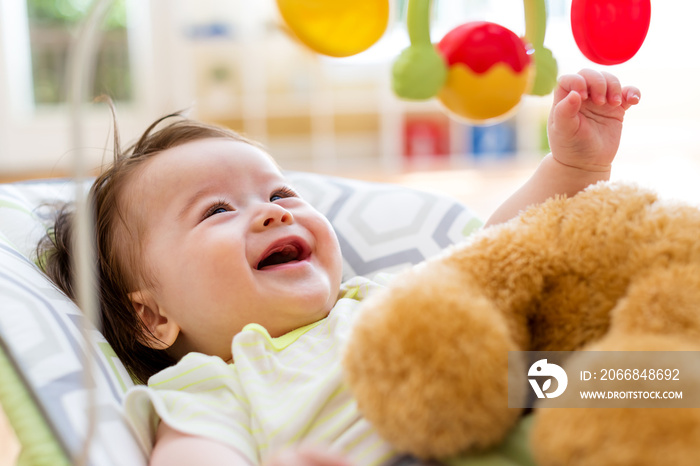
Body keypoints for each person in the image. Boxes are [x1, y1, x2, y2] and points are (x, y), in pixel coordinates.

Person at [37, 69, 640, 466]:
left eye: (279, 196)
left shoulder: (376, 294)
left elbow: (495, 253)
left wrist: (575, 169)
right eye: (216, 210)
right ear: (152, 317)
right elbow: (197, 456)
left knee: (649, 377)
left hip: (519, 400)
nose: (271, 216)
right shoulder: (215, 385)